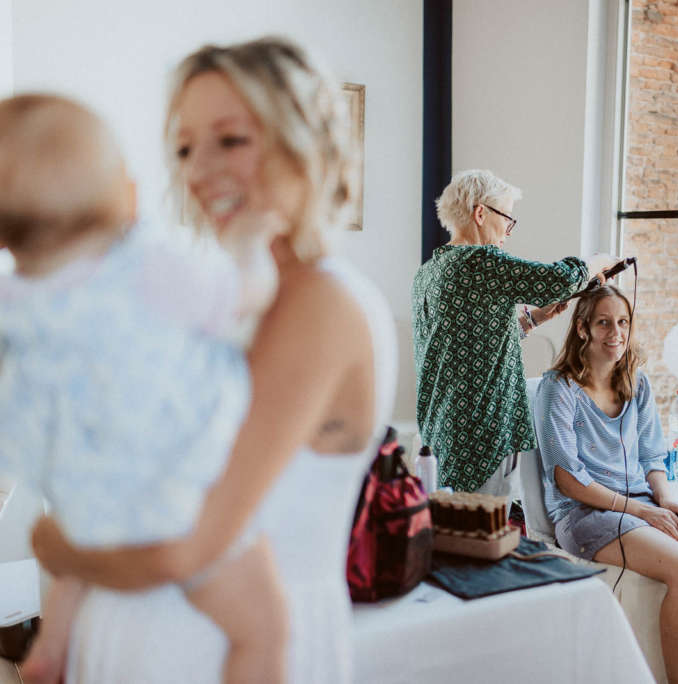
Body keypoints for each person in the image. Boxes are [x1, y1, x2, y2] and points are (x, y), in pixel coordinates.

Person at [28, 37, 396, 683]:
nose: (198, 171)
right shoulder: (215, 297)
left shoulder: (320, 303)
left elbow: (183, 545)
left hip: (216, 657)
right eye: (184, 148)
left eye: (231, 140)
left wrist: (50, 541)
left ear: (305, 142)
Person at [0, 93, 287, 684]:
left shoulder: (16, 303)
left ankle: (51, 644)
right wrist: (251, 244)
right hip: (172, 493)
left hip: (83, 493)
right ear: (127, 198)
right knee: (265, 626)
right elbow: (241, 293)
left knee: (78, 549)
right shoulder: (149, 267)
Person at [534, 285, 678, 684]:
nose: (616, 332)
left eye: (623, 322)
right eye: (604, 323)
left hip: (642, 503)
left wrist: (668, 500)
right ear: (582, 328)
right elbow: (568, 480)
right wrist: (642, 511)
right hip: (585, 515)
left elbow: (652, 457)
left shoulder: (637, 383)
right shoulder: (557, 389)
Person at [413, 169, 597, 499]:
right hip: (481, 437)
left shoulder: (429, 272)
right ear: (480, 213)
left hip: (442, 431)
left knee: (449, 521)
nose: (507, 232)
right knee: (482, 525)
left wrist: (532, 320)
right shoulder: (481, 261)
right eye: (507, 219)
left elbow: (466, 342)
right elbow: (560, 280)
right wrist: (597, 263)